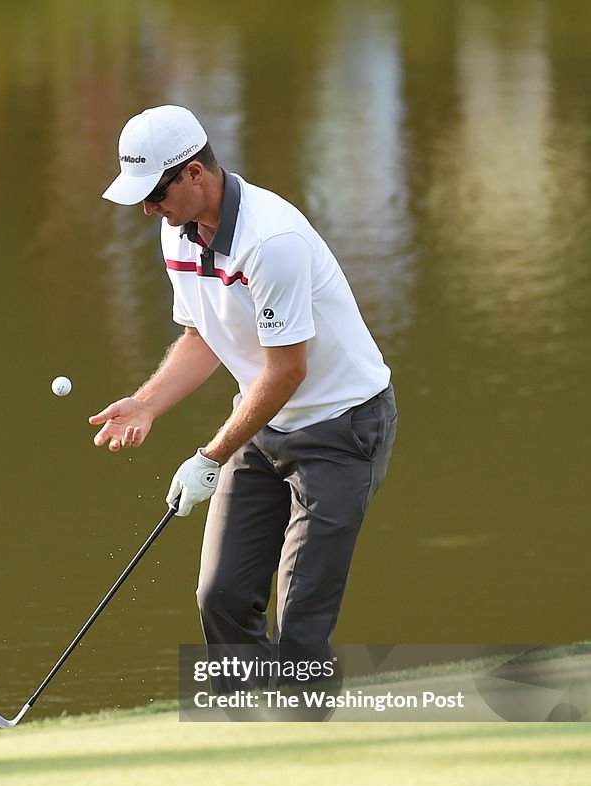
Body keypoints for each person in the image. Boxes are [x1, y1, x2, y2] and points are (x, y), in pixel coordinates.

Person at [90, 105, 396, 661]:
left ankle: (301, 736)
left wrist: (210, 456)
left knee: (301, 622)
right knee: (222, 595)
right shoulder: (177, 233)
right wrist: (146, 402)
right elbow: (202, 336)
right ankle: (246, 730)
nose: (148, 208)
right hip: (263, 423)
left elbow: (288, 370)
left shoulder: (271, 239)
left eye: (155, 193)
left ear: (194, 172)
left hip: (341, 429)